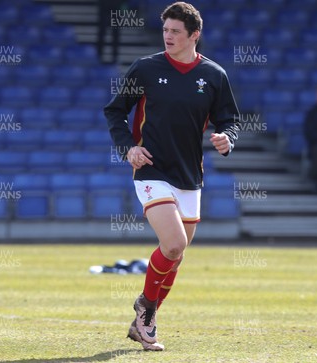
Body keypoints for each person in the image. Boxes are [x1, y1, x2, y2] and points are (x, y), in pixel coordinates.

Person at [104, 2, 238, 351]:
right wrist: (128, 148)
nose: (168, 36)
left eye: (176, 31)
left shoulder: (213, 75)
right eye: (165, 30)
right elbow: (115, 111)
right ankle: (147, 309)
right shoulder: (146, 69)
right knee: (175, 244)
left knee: (175, 254)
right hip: (151, 169)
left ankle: (142, 323)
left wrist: (227, 138)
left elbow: (230, 120)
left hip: (189, 174)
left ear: (194, 35)